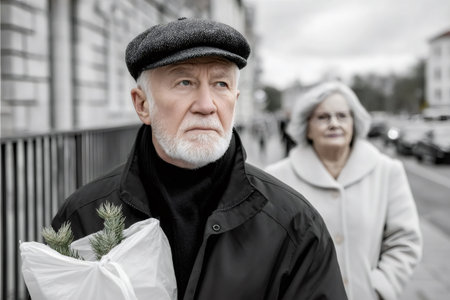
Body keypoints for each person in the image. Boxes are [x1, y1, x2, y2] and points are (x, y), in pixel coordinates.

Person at [51, 18, 348, 300]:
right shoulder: (83, 216)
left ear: (235, 98)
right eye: (184, 82)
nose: (207, 106)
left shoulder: (293, 225)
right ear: (142, 105)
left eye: (221, 84)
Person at [265, 81, 422, 300]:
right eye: (322, 117)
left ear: (354, 123)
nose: (334, 123)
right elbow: (268, 249)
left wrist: (380, 287)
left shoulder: (387, 171)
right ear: (306, 127)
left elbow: (405, 239)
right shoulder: (276, 178)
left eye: (342, 116)